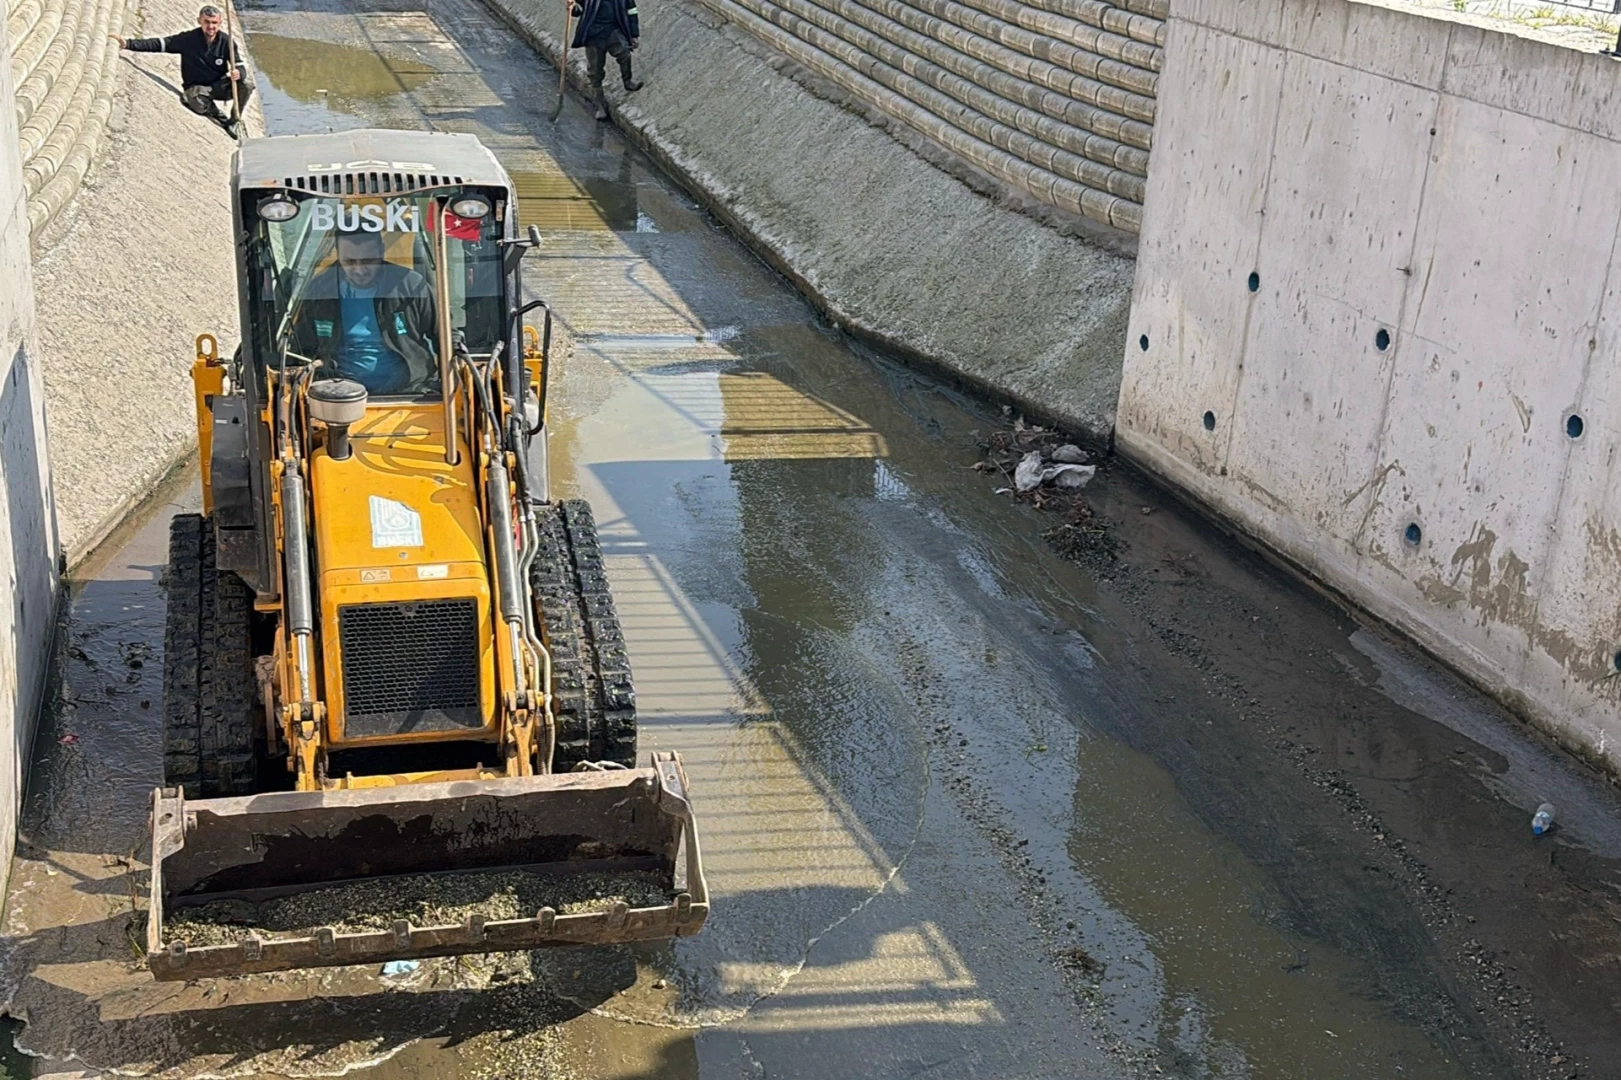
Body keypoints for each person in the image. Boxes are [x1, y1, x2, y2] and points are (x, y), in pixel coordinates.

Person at [289, 228, 438, 396]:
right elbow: (302, 346)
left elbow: (444, 335)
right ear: (337, 254)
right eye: (350, 262)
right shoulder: (320, 289)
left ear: (382, 251)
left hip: (409, 391)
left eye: (368, 261)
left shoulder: (410, 286)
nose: (359, 270)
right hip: (338, 395)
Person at [111, 5, 253, 139]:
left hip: (219, 86)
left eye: (215, 23)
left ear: (220, 23)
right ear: (200, 21)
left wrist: (239, 72)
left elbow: (239, 64)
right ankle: (220, 117)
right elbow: (161, 44)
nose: (211, 27)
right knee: (194, 98)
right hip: (197, 88)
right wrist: (128, 44)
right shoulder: (188, 39)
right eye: (207, 22)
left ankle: (235, 118)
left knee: (247, 84)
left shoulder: (226, 41)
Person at [570, 0, 643, 121]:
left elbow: (632, 12)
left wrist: (634, 34)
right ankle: (600, 106)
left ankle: (628, 82)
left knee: (624, 53)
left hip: (613, 31)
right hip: (593, 35)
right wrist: (572, 7)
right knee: (595, 72)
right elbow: (579, 11)